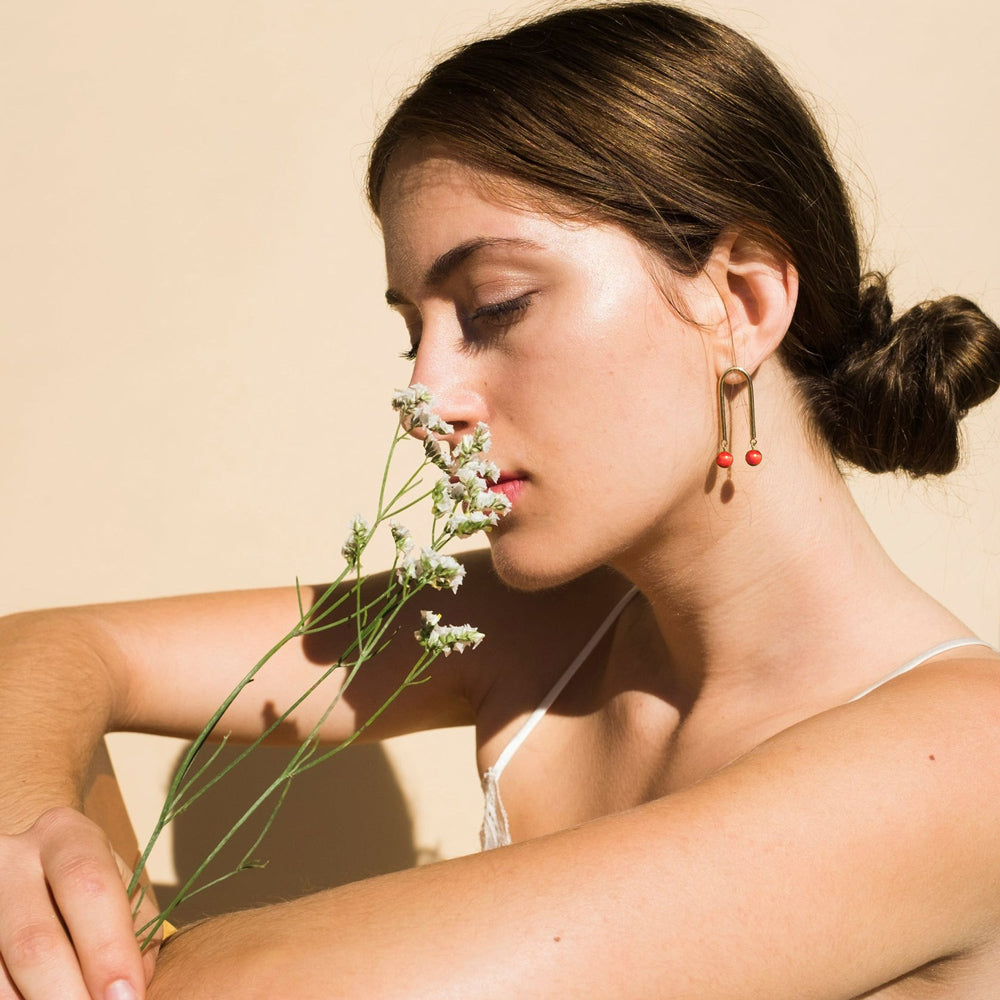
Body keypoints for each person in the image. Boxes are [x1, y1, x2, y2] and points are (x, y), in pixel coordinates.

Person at [2, 2, 1000, 997]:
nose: (424, 401)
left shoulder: (960, 761)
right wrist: (24, 825)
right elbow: (51, 649)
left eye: (493, 308)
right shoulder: (543, 629)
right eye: (413, 333)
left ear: (738, 302)